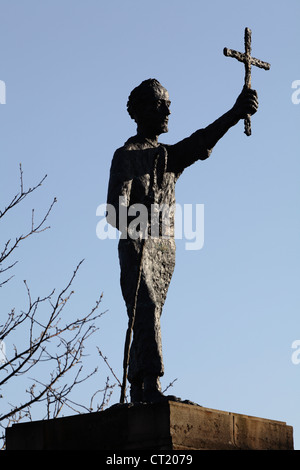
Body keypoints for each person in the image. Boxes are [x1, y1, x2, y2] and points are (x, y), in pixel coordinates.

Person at [106, 78, 258, 403]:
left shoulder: (167, 157)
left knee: (149, 315)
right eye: (162, 104)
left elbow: (199, 142)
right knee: (144, 311)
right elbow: (113, 215)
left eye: (168, 104)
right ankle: (151, 385)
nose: (168, 110)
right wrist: (140, 215)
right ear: (143, 110)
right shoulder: (126, 156)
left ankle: (138, 388)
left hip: (163, 251)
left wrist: (233, 114)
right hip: (137, 247)